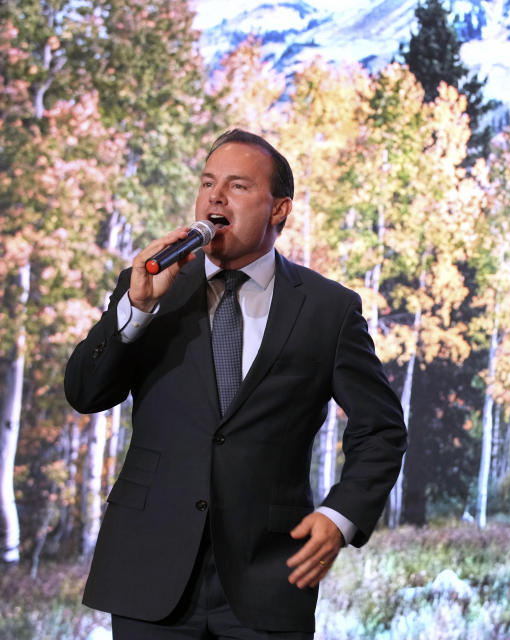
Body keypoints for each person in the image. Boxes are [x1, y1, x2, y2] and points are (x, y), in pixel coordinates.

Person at [64, 129, 407, 638]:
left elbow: (380, 429)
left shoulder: (328, 309)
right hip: (149, 570)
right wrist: (136, 310)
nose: (215, 197)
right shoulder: (150, 290)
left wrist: (340, 516)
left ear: (278, 209)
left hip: (267, 576)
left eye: (238, 186)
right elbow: (86, 393)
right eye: (207, 183)